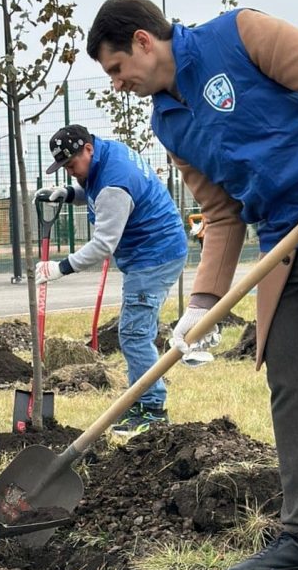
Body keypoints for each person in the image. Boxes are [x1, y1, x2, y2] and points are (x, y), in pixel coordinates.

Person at [87, 0, 298, 570]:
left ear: (142, 40)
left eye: (116, 69)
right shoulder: (168, 120)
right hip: (286, 244)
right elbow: (220, 212)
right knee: (288, 379)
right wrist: (201, 305)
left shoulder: (239, 35)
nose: (117, 84)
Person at [35, 124, 188, 432]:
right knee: (135, 332)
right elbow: (93, 190)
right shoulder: (108, 154)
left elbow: (104, 244)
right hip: (153, 250)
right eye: (64, 169)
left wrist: (60, 268)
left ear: (87, 150)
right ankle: (143, 402)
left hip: (153, 257)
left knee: (134, 334)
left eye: (71, 165)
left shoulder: (114, 185)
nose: (70, 172)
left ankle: (151, 410)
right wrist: (69, 194)